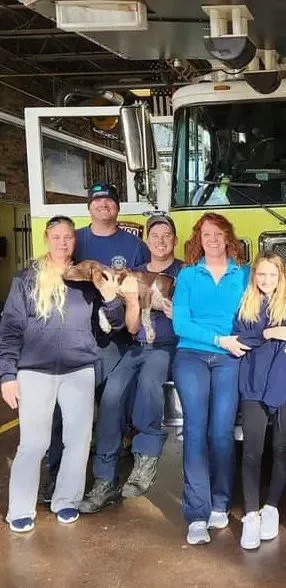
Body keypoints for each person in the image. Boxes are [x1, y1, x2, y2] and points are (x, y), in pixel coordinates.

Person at [0, 216, 122, 532]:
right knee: (33, 443)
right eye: (56, 237)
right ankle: (20, 509)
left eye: (68, 237)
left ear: (73, 241)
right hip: (34, 371)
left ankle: (66, 501)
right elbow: (11, 329)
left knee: (79, 441)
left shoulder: (88, 278)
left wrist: (111, 300)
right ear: (47, 238)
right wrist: (7, 375)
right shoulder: (27, 279)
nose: (63, 243)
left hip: (79, 370)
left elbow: (113, 325)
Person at [41, 182, 150, 503]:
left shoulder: (134, 246)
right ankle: (55, 475)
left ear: (117, 206)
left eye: (110, 201)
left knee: (111, 410)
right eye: (98, 200)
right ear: (89, 207)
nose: (104, 205)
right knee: (63, 411)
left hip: (114, 340)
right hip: (74, 337)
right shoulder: (77, 239)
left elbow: (140, 289)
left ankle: (105, 479)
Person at [80, 214, 184, 513]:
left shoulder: (185, 274)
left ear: (174, 240)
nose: (161, 240)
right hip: (138, 345)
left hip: (168, 346)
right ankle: (104, 482)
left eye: (166, 235)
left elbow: (189, 321)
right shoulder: (133, 275)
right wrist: (134, 303)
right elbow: (133, 329)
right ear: (147, 241)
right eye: (155, 236)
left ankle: (146, 457)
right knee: (112, 398)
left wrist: (173, 309)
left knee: (150, 383)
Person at [172, 213, 249, 546]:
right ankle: (196, 514)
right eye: (206, 235)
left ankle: (220, 502)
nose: (212, 239)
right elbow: (180, 324)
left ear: (228, 237)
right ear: (198, 240)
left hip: (230, 359)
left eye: (218, 234)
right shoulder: (188, 275)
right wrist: (220, 340)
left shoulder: (243, 274)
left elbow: (257, 313)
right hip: (191, 356)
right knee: (195, 430)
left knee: (221, 432)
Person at [233, 252, 286, 550]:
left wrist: (260, 337)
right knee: (252, 451)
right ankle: (251, 515)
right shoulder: (246, 304)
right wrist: (267, 333)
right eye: (261, 274)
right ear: (254, 276)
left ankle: (271, 507)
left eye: (272, 274)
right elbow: (239, 340)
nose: (266, 280)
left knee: (282, 447)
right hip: (253, 385)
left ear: (281, 276)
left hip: (284, 386)